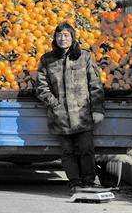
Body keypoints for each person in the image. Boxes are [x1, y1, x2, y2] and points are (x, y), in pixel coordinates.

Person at [36, 22, 105, 194]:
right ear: (55, 38)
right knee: (67, 152)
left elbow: (95, 85)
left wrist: (97, 109)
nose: (62, 38)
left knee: (86, 149)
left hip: (82, 114)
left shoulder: (85, 57)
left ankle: (89, 181)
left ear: (72, 37)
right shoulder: (47, 59)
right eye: (59, 35)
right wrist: (55, 104)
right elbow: (41, 87)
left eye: (66, 35)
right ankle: (75, 182)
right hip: (60, 116)